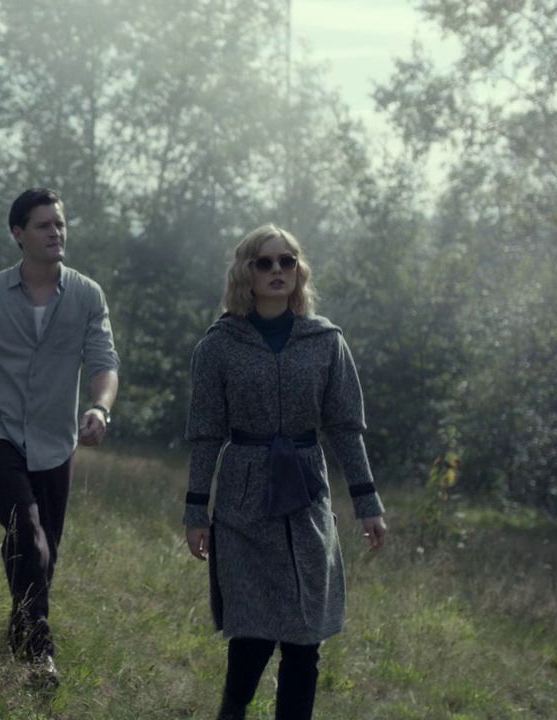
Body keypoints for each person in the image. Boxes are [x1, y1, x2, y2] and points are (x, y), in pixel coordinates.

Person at [182, 224, 387, 719]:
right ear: (245, 272)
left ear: (299, 271)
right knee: (251, 631)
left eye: (287, 261)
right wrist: (196, 510)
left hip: (306, 497)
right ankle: (232, 711)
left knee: (304, 634)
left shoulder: (326, 341)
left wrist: (368, 503)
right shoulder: (218, 346)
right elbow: (206, 434)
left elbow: (345, 428)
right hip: (244, 499)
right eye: (265, 262)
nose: (278, 270)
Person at [0, 188, 120, 688]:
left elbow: (104, 363)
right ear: (18, 234)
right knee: (26, 530)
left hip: (56, 441)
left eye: (60, 224)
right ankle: (39, 656)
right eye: (44, 225)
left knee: (44, 552)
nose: (56, 232)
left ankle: (21, 630)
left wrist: (100, 408)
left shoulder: (87, 295)